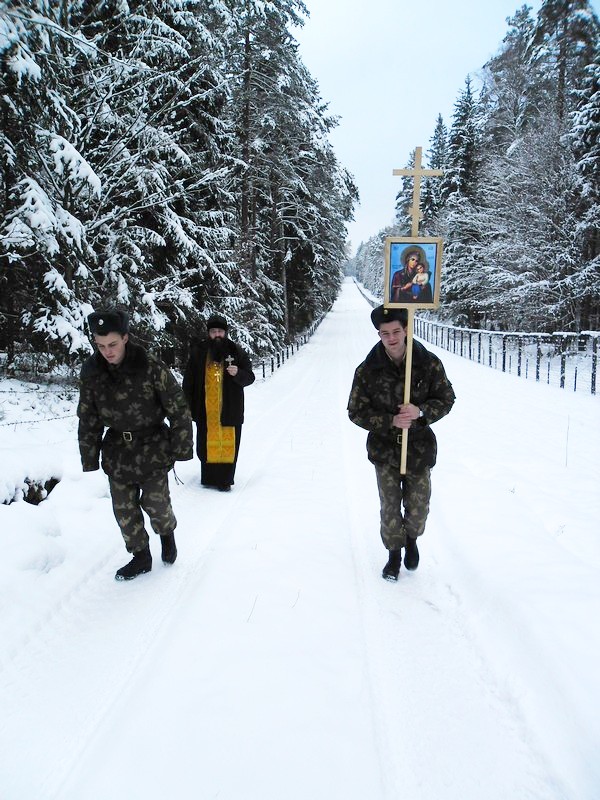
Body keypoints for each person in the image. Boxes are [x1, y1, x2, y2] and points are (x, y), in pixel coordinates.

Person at [77, 309, 194, 581]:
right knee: (124, 509)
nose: (107, 351)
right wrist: (89, 456)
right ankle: (140, 556)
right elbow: (88, 415)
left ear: (126, 338)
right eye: (101, 345)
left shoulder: (150, 366)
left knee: (157, 505)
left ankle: (166, 535)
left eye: (113, 344)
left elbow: (178, 408)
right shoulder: (92, 372)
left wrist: (182, 448)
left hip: (152, 446)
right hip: (117, 450)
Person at [347, 305, 455, 581]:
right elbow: (355, 412)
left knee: (418, 509)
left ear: (406, 329)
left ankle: (412, 539)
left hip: (418, 449)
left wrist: (421, 412)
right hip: (385, 450)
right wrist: (389, 421)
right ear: (378, 334)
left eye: (396, 331)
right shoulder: (368, 369)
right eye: (385, 333)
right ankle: (394, 553)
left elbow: (446, 398)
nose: (391, 338)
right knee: (390, 506)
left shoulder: (427, 363)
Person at [183, 314, 255, 492]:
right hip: (205, 410)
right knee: (206, 445)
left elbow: (250, 378)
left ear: (226, 332)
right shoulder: (199, 351)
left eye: (220, 331)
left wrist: (238, 373)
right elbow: (189, 382)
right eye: (213, 331)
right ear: (208, 333)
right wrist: (189, 407)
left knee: (228, 446)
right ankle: (208, 477)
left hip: (230, 409)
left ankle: (224, 480)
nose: (217, 335)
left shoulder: (236, 351)